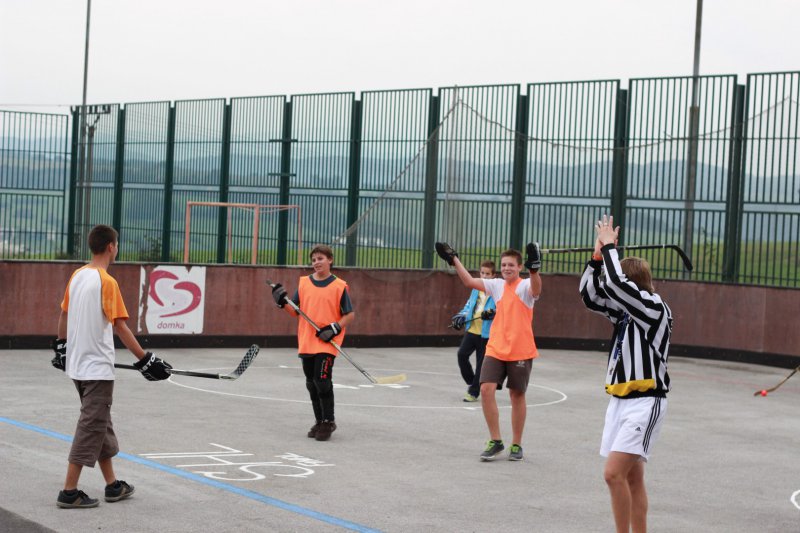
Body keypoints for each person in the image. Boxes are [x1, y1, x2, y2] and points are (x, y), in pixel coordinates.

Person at [51, 224, 172, 509]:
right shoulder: (107, 282)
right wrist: (145, 359)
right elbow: (120, 326)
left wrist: (61, 347)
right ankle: (69, 491)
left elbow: (64, 314)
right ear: (111, 247)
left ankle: (112, 485)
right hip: (97, 370)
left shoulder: (78, 275)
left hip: (78, 367)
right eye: (116, 245)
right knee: (91, 426)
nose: (117, 249)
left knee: (100, 424)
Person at [579, 214, 672, 533]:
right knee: (632, 478)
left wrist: (610, 248)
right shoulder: (624, 314)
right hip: (619, 401)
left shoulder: (654, 308)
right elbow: (589, 296)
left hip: (645, 402)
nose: (610, 287)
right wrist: (596, 258)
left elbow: (616, 286)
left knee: (612, 474)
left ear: (632, 284)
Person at [435, 242, 542, 462]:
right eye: (504, 265)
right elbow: (469, 281)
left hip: (520, 349)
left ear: (519, 267)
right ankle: (496, 441)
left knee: (517, 395)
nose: (506, 268)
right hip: (496, 347)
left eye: (511, 265)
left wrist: (534, 270)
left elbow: (537, 289)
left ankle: (516, 444)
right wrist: (454, 259)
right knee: (485, 389)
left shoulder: (525, 286)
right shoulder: (496, 285)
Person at [271, 244, 355, 441]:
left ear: (330, 260)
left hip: (327, 342)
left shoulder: (339, 286)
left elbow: (350, 314)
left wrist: (334, 328)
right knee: (311, 383)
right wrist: (281, 302)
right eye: (314, 259)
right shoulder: (304, 283)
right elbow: (295, 311)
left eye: (320, 258)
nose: (316, 262)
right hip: (307, 341)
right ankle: (318, 421)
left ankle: (328, 421)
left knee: (322, 380)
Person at [450, 260, 496, 402]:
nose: (484, 276)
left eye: (488, 274)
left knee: (481, 364)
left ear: (493, 275)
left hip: (486, 334)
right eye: (482, 273)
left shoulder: (497, 291)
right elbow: (469, 306)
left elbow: (502, 309)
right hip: (472, 330)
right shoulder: (476, 289)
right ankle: (473, 382)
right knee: (462, 355)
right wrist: (461, 316)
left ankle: (473, 392)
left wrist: (493, 313)